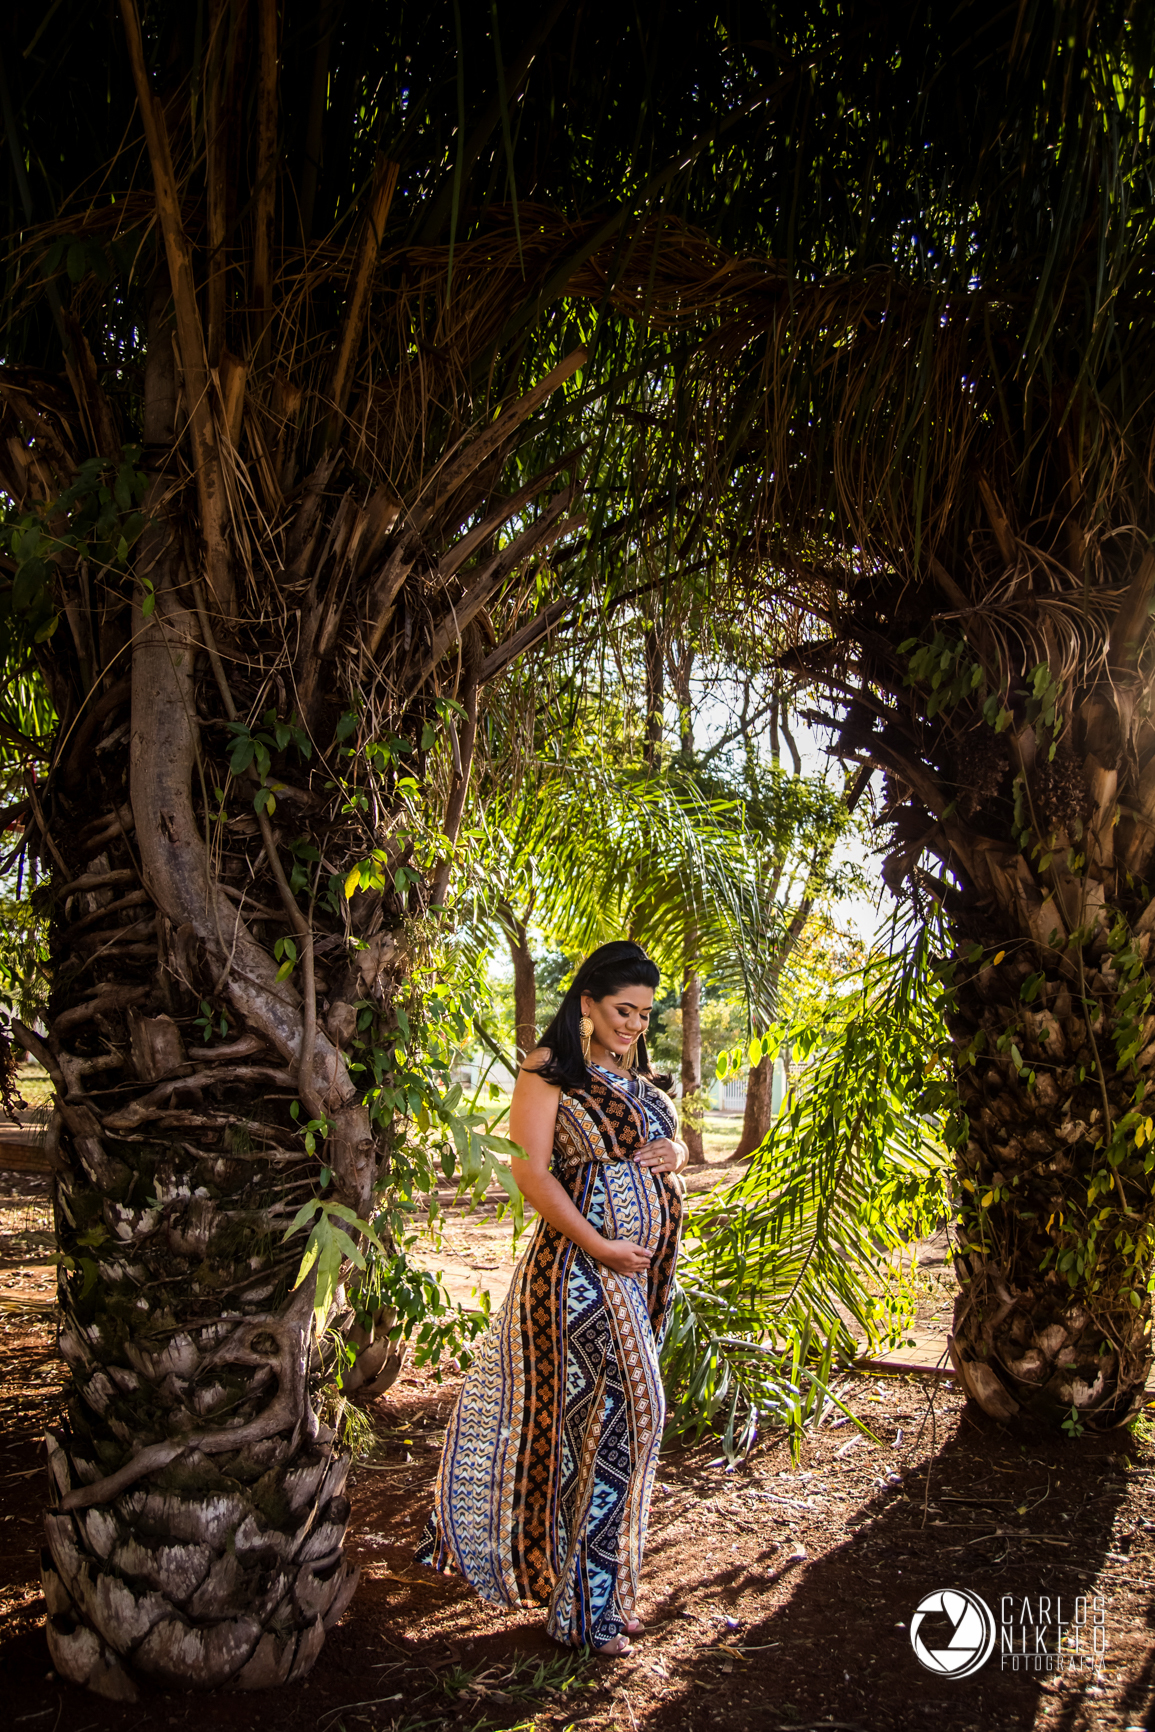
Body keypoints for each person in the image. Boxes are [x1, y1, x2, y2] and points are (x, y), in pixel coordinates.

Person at [416, 940, 689, 1657]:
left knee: (617, 1431)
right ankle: (581, 1606)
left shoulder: (637, 1075)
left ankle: (599, 1595)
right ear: (587, 1003)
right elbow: (533, 1175)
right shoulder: (549, 1069)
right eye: (623, 1010)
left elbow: (665, 1142)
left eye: (644, 1014)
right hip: (579, 1269)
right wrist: (598, 1245)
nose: (634, 1024)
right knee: (637, 1408)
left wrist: (679, 1155)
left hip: (642, 1278)